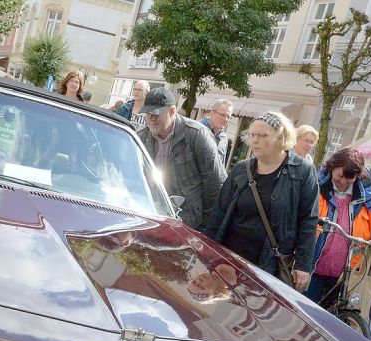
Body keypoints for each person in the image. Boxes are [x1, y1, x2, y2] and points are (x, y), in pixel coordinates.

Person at [204, 111, 318, 291]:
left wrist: (303, 265)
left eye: (263, 135)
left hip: (269, 263)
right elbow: (219, 212)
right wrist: (206, 249)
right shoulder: (242, 168)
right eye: (252, 135)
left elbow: (308, 220)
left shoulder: (302, 171)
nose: (255, 140)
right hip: (229, 258)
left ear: (281, 137)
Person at [304, 148, 371, 304]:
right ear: (331, 168)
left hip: (348, 274)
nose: (343, 182)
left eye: (349, 179)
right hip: (310, 268)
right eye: (340, 176)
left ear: (358, 176)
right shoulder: (312, 186)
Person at [136, 88, 226, 231]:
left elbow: (215, 184)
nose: (151, 118)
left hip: (187, 223)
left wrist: (205, 228)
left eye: (156, 113)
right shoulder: (141, 137)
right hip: (150, 216)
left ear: (172, 111)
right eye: (148, 113)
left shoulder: (197, 135)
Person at [200, 98, 233, 167]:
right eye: (223, 115)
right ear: (212, 113)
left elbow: (221, 165)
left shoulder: (224, 138)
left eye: (228, 117)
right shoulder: (196, 129)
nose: (225, 119)